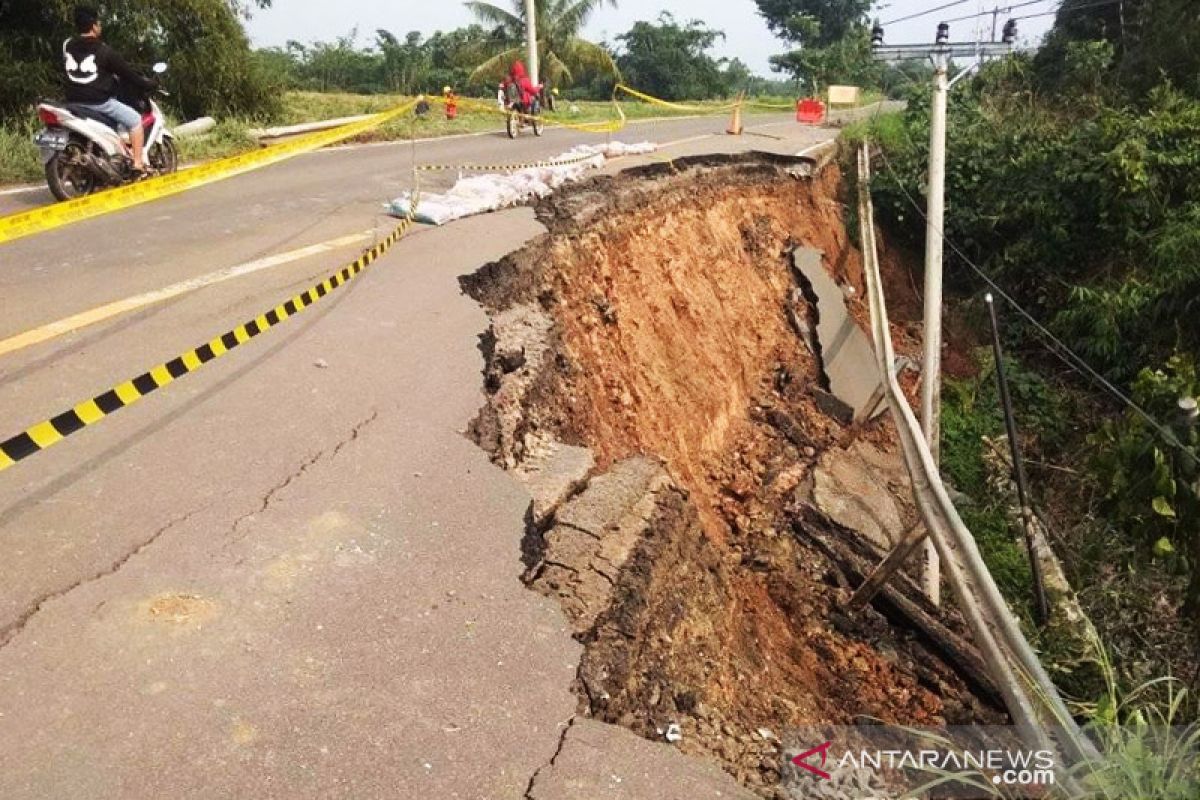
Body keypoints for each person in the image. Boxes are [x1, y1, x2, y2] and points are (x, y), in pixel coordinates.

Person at [63, 6, 158, 173]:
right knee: (135, 120)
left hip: (72, 101)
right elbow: (129, 75)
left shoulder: (68, 45)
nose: (100, 26)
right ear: (93, 26)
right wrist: (149, 84)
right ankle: (137, 163)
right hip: (99, 103)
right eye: (99, 23)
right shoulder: (104, 51)